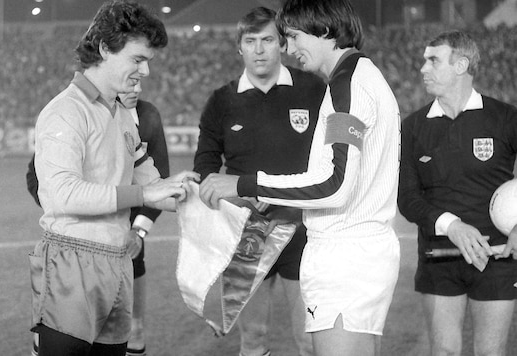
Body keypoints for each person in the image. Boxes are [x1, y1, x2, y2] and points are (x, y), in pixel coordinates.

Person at [198, 0, 401, 355]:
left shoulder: (347, 87)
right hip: (355, 253)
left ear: (322, 29)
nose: (288, 48)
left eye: (291, 37)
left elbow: (333, 185)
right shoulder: (355, 78)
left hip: (346, 257)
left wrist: (245, 183)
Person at [29, 1, 198, 355]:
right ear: (105, 48)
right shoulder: (65, 111)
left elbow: (150, 178)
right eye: (138, 59)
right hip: (71, 265)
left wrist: (192, 193)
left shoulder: (120, 112)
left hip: (119, 261)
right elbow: (61, 195)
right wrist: (143, 194)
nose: (146, 71)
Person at [193, 6, 325, 356]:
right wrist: (234, 196)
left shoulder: (313, 89)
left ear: (281, 43)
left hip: (306, 234)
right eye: (250, 41)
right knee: (253, 340)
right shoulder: (221, 101)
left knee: (311, 341)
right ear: (239, 47)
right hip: (247, 237)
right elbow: (205, 164)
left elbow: (332, 155)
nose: (259, 49)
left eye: (267, 39)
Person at [25, 82, 170, 356]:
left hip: (125, 244)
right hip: (73, 252)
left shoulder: (142, 117)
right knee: (60, 339)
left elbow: (158, 182)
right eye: (135, 64)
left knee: (129, 332)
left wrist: (137, 230)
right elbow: (42, 180)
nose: (139, 82)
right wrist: (68, 213)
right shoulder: (72, 111)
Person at [398, 30, 517, 356]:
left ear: (462, 64)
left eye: (433, 60)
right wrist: (452, 225)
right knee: (444, 352)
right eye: (424, 60)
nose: (423, 68)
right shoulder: (412, 127)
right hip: (439, 257)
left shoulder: (505, 118)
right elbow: (407, 199)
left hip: (497, 258)